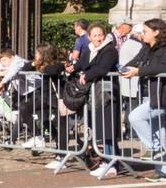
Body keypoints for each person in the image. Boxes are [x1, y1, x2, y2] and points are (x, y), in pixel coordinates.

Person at [116, 18, 166, 181]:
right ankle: (163, 172)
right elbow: (136, 61)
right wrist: (123, 69)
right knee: (158, 132)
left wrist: (138, 72)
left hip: (162, 96)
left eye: (145, 31)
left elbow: (164, 68)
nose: (142, 34)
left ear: (156, 32)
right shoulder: (146, 47)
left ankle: (153, 149)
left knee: (134, 117)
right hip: (147, 93)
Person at [49, 22, 118, 173]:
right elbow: (82, 63)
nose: (98, 38)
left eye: (100, 35)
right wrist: (73, 68)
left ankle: (111, 163)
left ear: (104, 35)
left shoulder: (109, 50)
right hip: (92, 93)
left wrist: (87, 76)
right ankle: (104, 159)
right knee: (97, 126)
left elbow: (103, 68)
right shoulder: (90, 49)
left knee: (106, 127)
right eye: (95, 35)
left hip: (106, 92)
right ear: (89, 37)